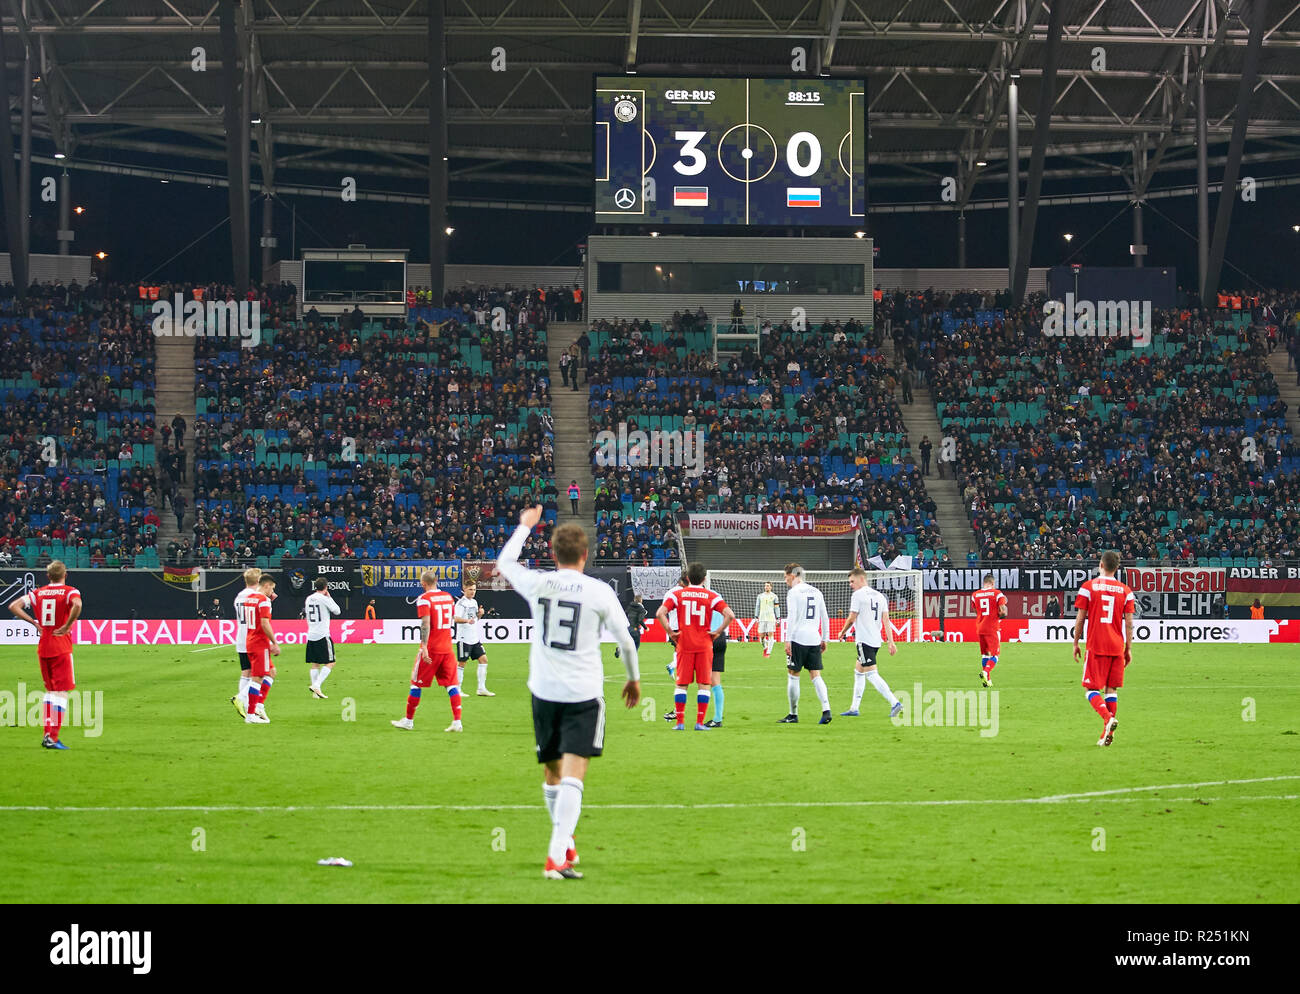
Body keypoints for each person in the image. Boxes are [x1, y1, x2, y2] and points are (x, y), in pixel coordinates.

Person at [495, 505, 641, 880]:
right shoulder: (598, 592)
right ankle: (556, 856)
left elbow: (506, 562)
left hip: (543, 691)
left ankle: (563, 844)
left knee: (553, 773)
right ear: (585, 554)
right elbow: (626, 641)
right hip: (583, 693)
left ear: (553, 554)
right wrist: (632, 678)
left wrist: (524, 526)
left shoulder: (539, 582)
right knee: (575, 774)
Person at [8, 560, 83, 749]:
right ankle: (53, 737)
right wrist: (66, 626)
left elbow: (13, 606)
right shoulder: (70, 591)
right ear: (65, 575)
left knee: (50, 692)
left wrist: (34, 623)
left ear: (48, 576)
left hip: (44, 647)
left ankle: (47, 735)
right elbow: (77, 605)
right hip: (61, 647)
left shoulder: (37, 593)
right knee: (62, 692)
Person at [656, 562, 734, 731]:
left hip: (684, 643)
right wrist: (718, 631)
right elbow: (730, 615)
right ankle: (699, 722)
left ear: (688, 578)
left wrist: (670, 631)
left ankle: (680, 723)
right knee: (704, 684)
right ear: (704, 578)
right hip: (704, 644)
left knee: (681, 684)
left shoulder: (678, 594)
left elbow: (660, 613)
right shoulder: (712, 596)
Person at [1073, 550, 1134, 747]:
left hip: (1096, 644)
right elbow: (1129, 624)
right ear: (1117, 568)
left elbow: (1081, 618)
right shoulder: (1126, 591)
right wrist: (1128, 648)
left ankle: (1108, 719)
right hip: (1117, 646)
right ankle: (1106, 734)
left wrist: (1075, 643)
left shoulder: (1088, 587)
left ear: (1100, 564)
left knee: (1091, 689)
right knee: (1111, 689)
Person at [391, 570, 463, 732]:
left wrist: (424, 646)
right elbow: (450, 618)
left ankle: (409, 721)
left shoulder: (424, 599)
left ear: (423, 584)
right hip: (447, 648)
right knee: (452, 685)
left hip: (431, 650)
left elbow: (426, 624)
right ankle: (457, 722)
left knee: (416, 684)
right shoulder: (448, 597)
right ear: (436, 580)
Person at [840, 568, 902, 717]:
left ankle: (895, 702)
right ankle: (854, 708)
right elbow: (886, 620)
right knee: (858, 671)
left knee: (871, 674)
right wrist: (891, 642)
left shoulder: (858, 595)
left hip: (864, 640)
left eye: (852, 581)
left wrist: (842, 632)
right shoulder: (880, 596)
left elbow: (852, 618)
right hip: (876, 641)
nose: (850, 584)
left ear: (861, 579)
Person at [781, 563, 832, 724]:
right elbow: (825, 616)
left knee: (793, 675)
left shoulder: (793, 593)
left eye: (785, 577)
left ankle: (793, 714)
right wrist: (825, 638)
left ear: (793, 575)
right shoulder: (816, 591)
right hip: (814, 638)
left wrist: (787, 639)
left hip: (798, 638)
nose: (785, 580)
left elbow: (792, 616)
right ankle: (826, 710)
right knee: (815, 675)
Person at [243, 575, 281, 724]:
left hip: (250, 640)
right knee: (257, 678)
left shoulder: (249, 597)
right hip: (259, 642)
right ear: (267, 585)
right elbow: (265, 623)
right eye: (272, 588)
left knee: (271, 672)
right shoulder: (263, 601)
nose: (272, 591)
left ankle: (259, 705)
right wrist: (274, 642)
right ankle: (251, 714)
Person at [230, 567, 261, 717]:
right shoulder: (256, 596)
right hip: (254, 638)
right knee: (261, 673)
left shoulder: (238, 597)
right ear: (258, 580)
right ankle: (241, 698)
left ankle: (246, 703)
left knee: (245, 673)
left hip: (241, 638)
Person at [454, 579, 494, 696]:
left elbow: (475, 619)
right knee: (462, 663)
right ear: (464, 589)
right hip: (463, 638)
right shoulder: (461, 603)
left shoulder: (474, 602)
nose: (473, 592)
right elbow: (456, 619)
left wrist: (480, 614)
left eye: (474, 589)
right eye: (470, 589)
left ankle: (481, 688)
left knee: (484, 660)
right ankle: (457, 689)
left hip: (474, 638)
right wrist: (467, 620)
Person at [304, 578, 341, 699]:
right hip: (322, 634)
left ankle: (316, 692)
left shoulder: (309, 598)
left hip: (311, 634)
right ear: (326, 587)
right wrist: (329, 597)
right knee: (331, 662)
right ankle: (317, 685)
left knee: (315, 664)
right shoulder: (324, 599)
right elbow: (337, 611)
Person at [971, 574, 1008, 687]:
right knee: (995, 654)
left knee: (985, 655)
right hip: (992, 628)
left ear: (984, 582)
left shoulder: (975, 595)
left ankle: (988, 681)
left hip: (980, 627)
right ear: (992, 583)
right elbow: (1002, 611)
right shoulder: (997, 594)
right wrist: (1002, 615)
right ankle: (986, 672)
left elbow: (975, 611)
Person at [615, 594, 647, 660]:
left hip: (628, 628)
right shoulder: (641, 607)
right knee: (636, 644)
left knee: (627, 642)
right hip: (635, 628)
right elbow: (640, 619)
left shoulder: (630, 606)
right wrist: (645, 627)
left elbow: (625, 614)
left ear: (634, 599)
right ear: (640, 600)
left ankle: (620, 649)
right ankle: (632, 658)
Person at [754, 580, 780, 657]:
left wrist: (778, 618)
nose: (766, 587)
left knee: (770, 634)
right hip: (762, 618)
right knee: (761, 636)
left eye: (768, 586)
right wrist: (756, 616)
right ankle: (765, 647)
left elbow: (777, 608)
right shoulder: (760, 596)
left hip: (771, 618)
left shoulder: (774, 596)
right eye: (765, 586)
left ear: (771, 587)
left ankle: (768, 653)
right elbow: (757, 606)